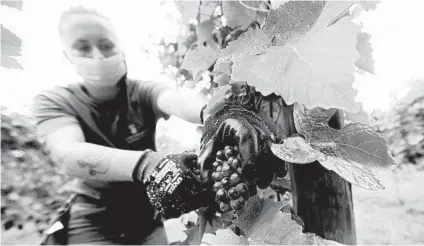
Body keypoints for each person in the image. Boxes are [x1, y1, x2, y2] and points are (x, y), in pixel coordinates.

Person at [32, 6, 282, 245]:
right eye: (83, 48)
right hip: (93, 225)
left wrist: (214, 113)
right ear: (67, 55)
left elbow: (177, 100)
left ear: (120, 48)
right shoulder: (55, 100)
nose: (97, 55)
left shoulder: (142, 92)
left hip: (146, 224)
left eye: (106, 45)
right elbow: (67, 153)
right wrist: (147, 164)